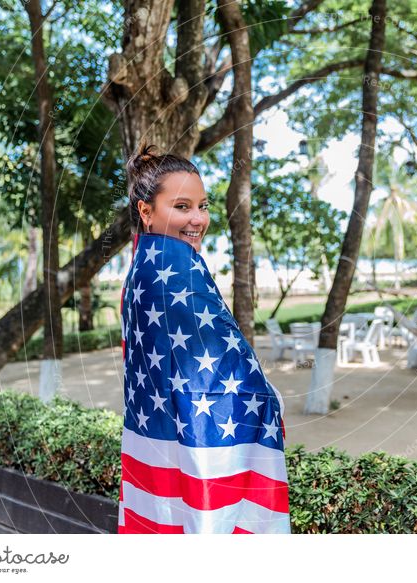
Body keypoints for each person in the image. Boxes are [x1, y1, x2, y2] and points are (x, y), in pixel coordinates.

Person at [117, 143, 290, 534]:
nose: (198, 219)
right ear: (146, 211)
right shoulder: (173, 267)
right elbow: (221, 373)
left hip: (156, 441)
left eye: (203, 205)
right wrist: (266, 399)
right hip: (197, 449)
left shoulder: (143, 264)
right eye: (181, 207)